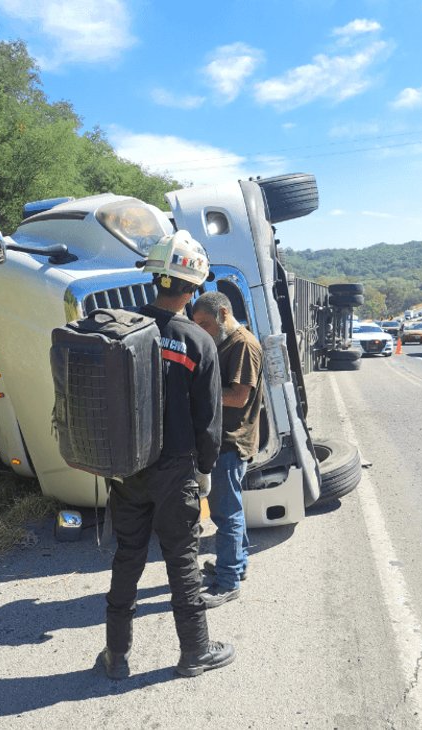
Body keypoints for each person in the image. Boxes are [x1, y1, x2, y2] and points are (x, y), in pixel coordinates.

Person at [97, 230, 236, 680]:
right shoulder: (198, 342)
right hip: (176, 471)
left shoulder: (124, 330)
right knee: (182, 562)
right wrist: (207, 470)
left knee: (127, 558)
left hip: (128, 469)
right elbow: (208, 421)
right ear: (193, 288)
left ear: (156, 277)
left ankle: (116, 656)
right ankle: (194, 652)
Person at [190, 291, 263, 608]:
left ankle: (228, 581)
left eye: (204, 324)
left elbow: (238, 397)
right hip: (227, 440)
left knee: (225, 514)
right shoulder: (223, 341)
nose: (201, 330)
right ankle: (237, 565)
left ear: (222, 313)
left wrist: (197, 392)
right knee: (230, 508)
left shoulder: (242, 345)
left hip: (231, 442)